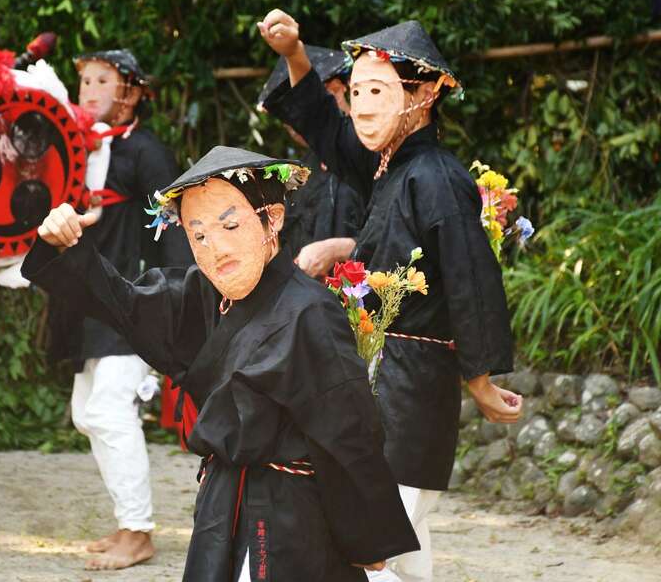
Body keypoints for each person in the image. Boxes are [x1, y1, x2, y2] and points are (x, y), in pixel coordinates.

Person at [23, 145, 419, 581]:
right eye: (198, 235)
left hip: (292, 513)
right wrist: (65, 248)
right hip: (221, 501)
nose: (216, 248)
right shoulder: (204, 294)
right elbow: (126, 305)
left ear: (273, 219)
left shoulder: (309, 311)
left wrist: (369, 537)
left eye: (230, 225)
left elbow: (349, 432)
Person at [258, 10, 523, 581]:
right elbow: (329, 132)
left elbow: (472, 280)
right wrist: (296, 54)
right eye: (356, 92)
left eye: (378, 90)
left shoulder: (436, 178)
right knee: (402, 549)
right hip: (384, 380)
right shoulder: (389, 164)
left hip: (414, 392)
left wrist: (480, 379)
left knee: (370, 545)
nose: (362, 106)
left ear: (422, 94)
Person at [45, 48, 192, 571]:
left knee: (109, 409)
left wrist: (178, 299)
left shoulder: (147, 153)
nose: (88, 89)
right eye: (83, 79)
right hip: (94, 301)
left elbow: (174, 228)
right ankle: (128, 520)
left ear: (129, 92)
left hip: (137, 300)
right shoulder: (75, 150)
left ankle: (139, 532)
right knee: (87, 413)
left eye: (102, 80)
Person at [257, 46, 363, 277]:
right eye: (290, 126)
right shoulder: (302, 170)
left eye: (301, 122)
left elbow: (399, 241)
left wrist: (340, 249)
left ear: (336, 90)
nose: (297, 132)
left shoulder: (377, 156)